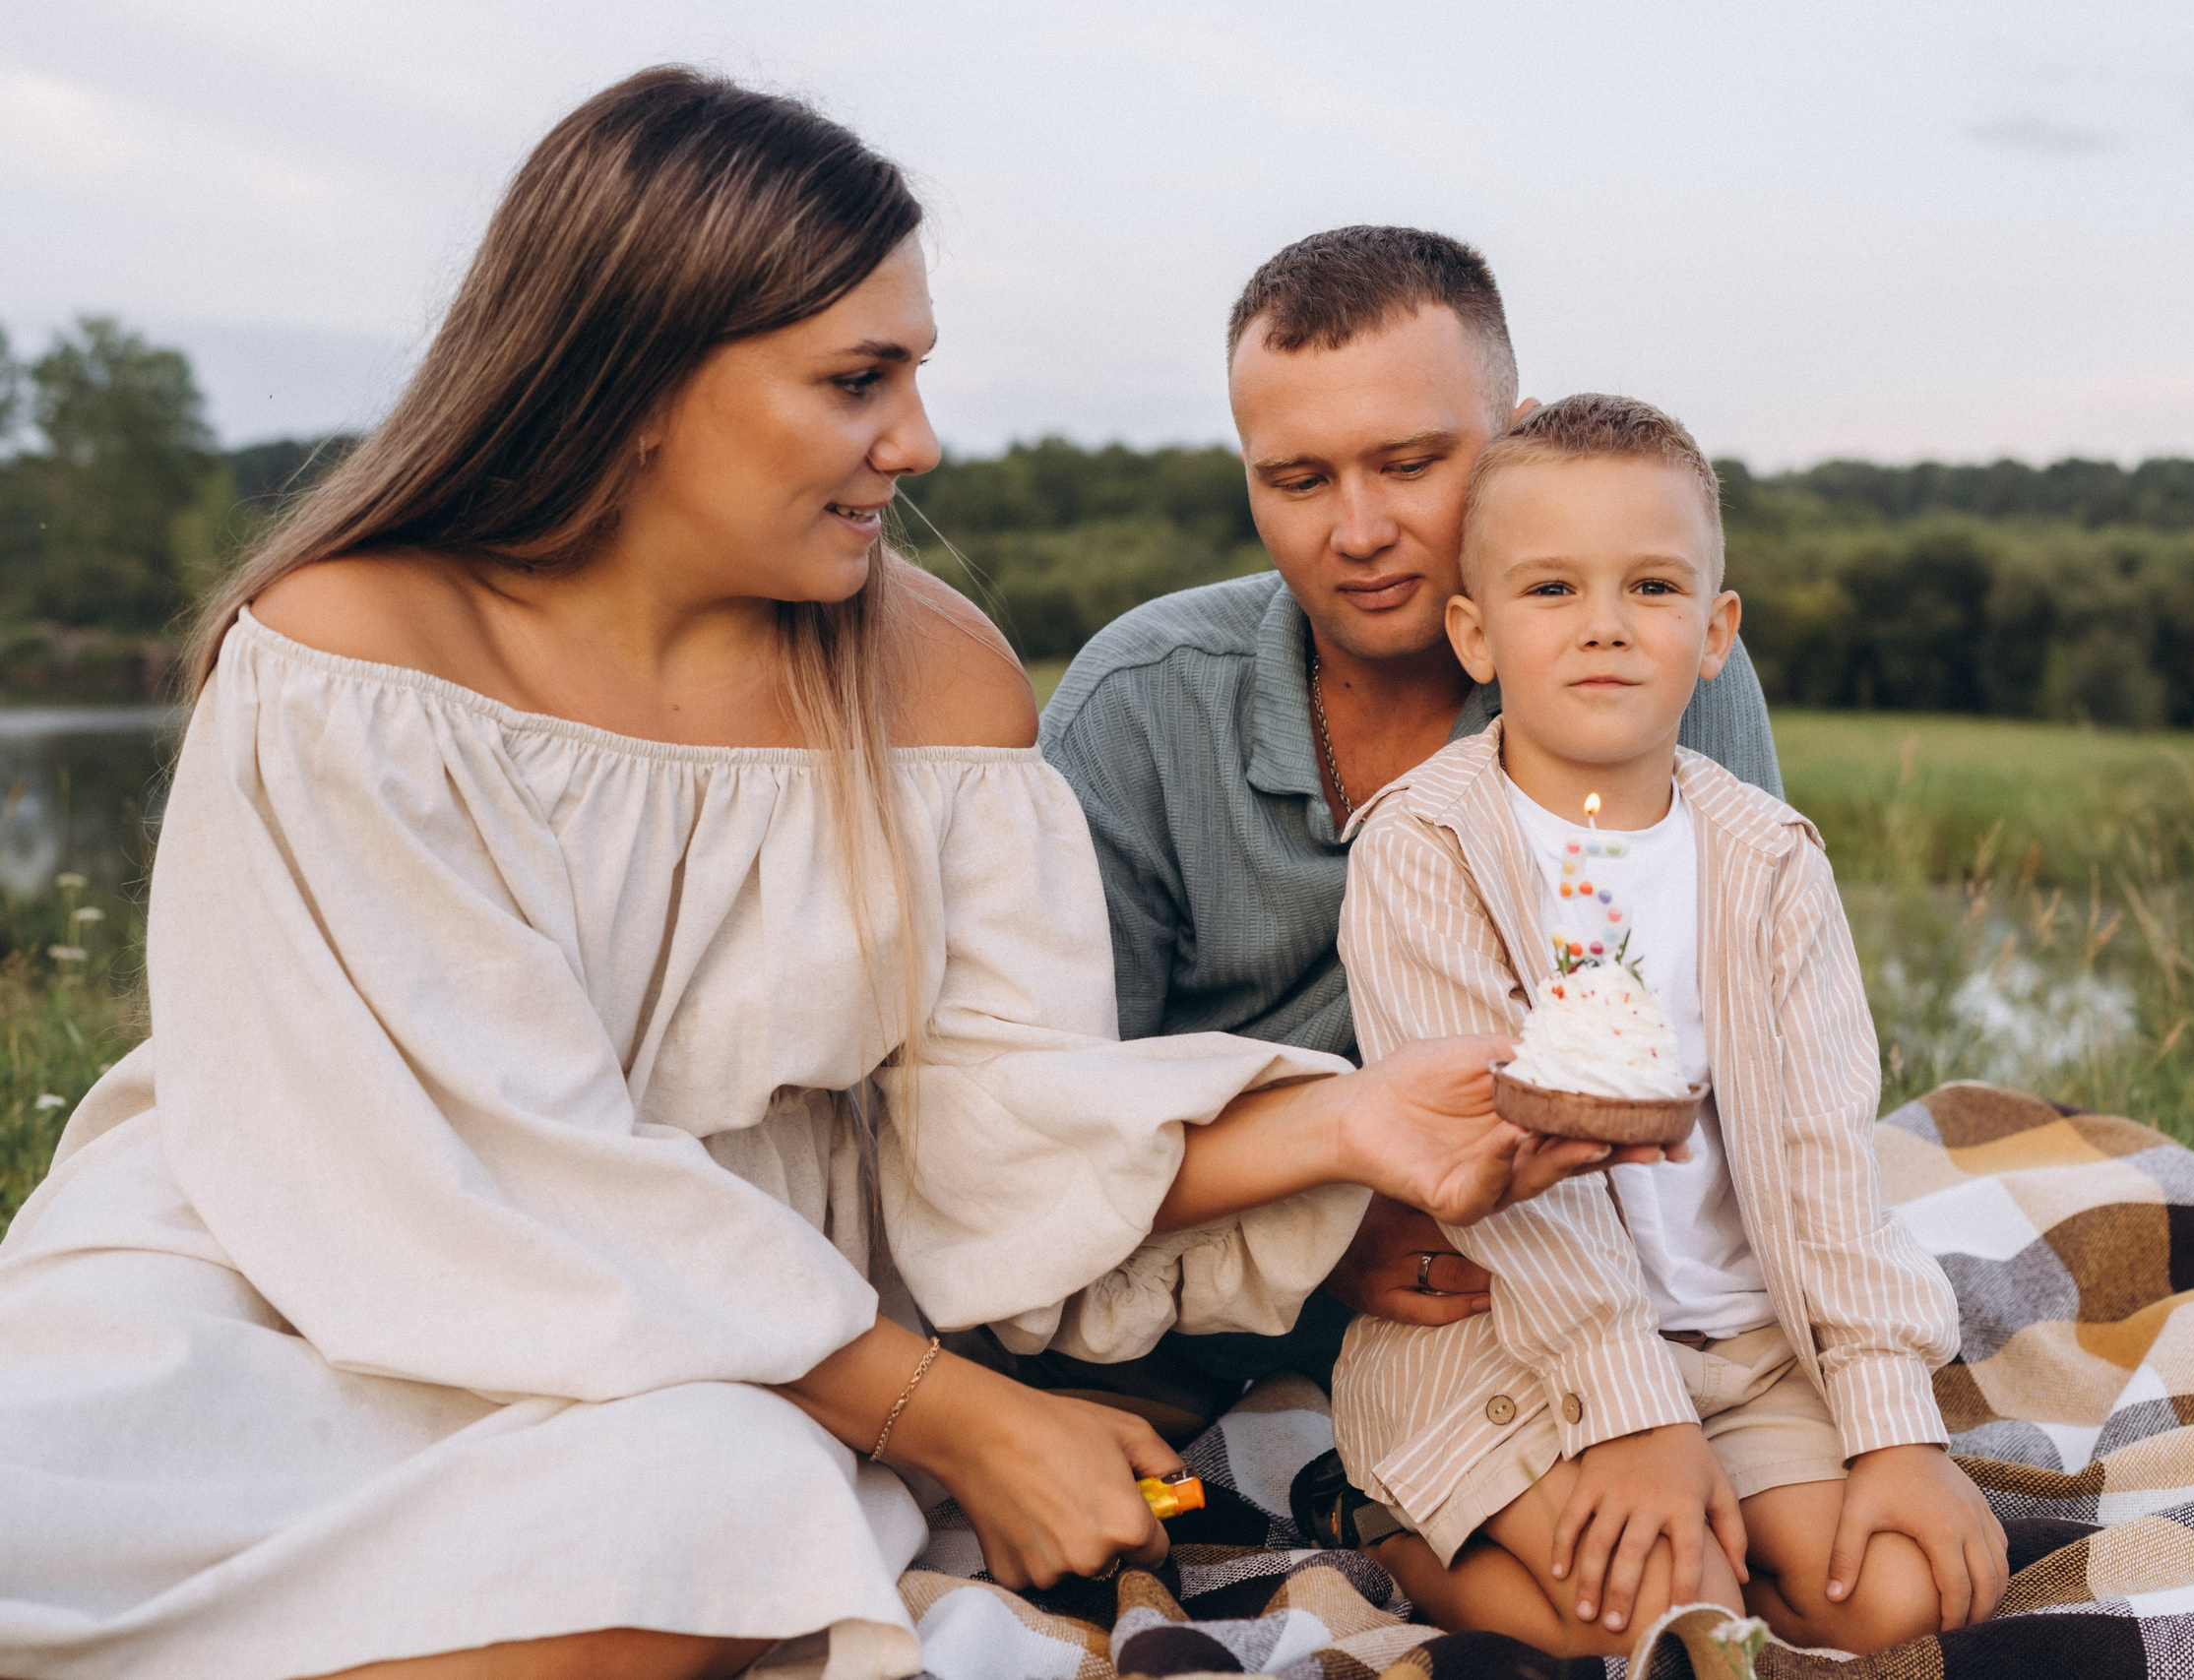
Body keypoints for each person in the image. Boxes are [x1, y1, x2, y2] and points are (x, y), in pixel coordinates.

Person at [0, 74, 1646, 1680]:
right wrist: (952, 1412)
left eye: (916, 372)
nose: (916, 442)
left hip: (752, 1366)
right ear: (640, 375)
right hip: (309, 1269)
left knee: (727, 1507)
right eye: (860, 378)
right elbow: (460, 1172)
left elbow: (988, 1127)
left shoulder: (937, 680)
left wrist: (1347, 1124)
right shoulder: (352, 657)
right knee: (63, 1492)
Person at [1036, 227, 1787, 1411]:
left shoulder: (1644, 671)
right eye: (1295, 480)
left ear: (1515, 444)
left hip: (1572, 1307)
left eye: (1409, 463)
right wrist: (1320, 1244)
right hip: (1182, 1322)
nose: (1356, 531)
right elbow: (1044, 1131)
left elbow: (1741, 1051)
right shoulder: (1135, 703)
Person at [1329, 395, 2007, 1655]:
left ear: (1713, 632)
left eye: (1650, 587)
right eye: (1549, 591)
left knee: (1900, 1593)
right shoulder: (1426, 850)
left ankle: (1707, 1506)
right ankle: (1403, 1522)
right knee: (1661, 1609)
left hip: (1744, 1342)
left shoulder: (1765, 861)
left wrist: (1892, 1422)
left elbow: (1819, 1156)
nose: (1602, 626)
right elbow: (1512, 1181)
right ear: (1472, 633)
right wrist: (1634, 1422)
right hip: (1512, 1342)